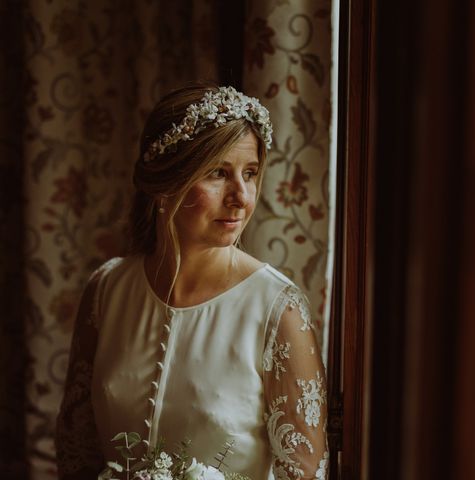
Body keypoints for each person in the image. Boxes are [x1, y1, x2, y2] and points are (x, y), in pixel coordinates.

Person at [55, 84, 329, 480]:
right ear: (166, 183)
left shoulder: (278, 310)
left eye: (249, 173)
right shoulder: (107, 290)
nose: (241, 196)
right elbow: (76, 453)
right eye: (218, 173)